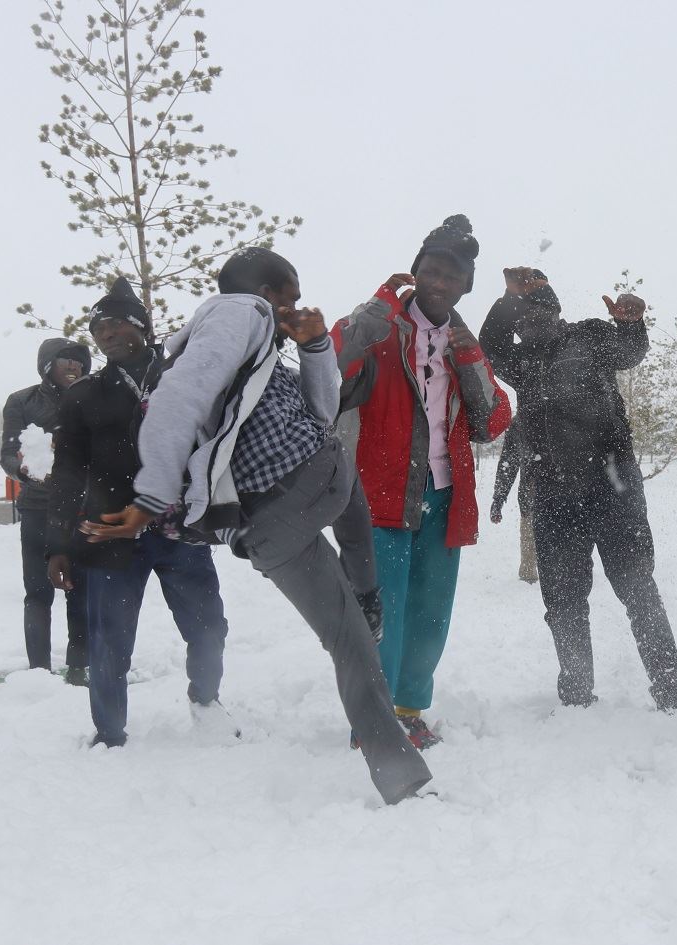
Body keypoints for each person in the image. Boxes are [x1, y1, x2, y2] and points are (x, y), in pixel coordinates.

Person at [86, 249, 429, 805]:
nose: (295, 308)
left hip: (270, 525)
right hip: (312, 479)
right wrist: (150, 494)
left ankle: (401, 777)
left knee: (351, 644)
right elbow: (182, 398)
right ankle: (367, 597)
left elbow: (323, 408)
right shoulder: (238, 311)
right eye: (290, 297)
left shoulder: (257, 353)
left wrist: (315, 345)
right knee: (349, 494)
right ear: (266, 291)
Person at [330, 215, 512, 749]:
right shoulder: (379, 325)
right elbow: (333, 366)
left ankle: (408, 709)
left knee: (431, 612)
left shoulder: (462, 340)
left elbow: (494, 421)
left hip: (444, 496)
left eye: (451, 276)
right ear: (414, 274)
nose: (438, 282)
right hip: (376, 494)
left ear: (466, 286)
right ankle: (372, 716)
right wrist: (382, 302)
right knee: (379, 611)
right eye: (429, 271)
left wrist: (472, 356)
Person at [480, 267, 677, 712]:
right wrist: (508, 298)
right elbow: (489, 347)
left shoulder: (590, 334)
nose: (527, 324)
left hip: (612, 484)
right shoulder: (521, 360)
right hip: (553, 492)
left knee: (637, 587)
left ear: (557, 312)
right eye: (521, 319)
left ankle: (669, 689)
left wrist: (631, 323)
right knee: (564, 598)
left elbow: (631, 350)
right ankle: (576, 692)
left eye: (537, 313)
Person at [47, 278, 236, 748]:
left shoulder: (183, 374)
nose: (107, 333)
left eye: (116, 323)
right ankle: (109, 733)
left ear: (142, 326)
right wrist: (58, 545)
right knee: (109, 640)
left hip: (179, 527)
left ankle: (205, 699)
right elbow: (68, 472)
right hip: (110, 533)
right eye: (99, 328)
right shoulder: (83, 395)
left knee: (209, 626)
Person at [0, 337, 91, 681]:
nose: (73, 366)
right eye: (65, 359)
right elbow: (8, 453)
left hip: (82, 510)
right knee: (37, 592)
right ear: (46, 365)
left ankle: (79, 666)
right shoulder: (22, 401)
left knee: (80, 590)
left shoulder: (91, 399)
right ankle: (38, 670)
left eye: (79, 361)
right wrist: (22, 468)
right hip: (38, 508)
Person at [490, 414, 538, 584]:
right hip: (532, 500)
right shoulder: (520, 422)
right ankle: (528, 582)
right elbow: (508, 463)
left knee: (571, 563)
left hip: (567, 500)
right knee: (528, 572)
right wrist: (498, 499)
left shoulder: (567, 411)